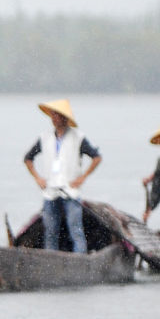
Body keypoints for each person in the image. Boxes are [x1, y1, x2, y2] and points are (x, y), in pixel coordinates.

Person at [23, 98, 102, 253]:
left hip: (70, 192)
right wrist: (38, 178)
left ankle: (80, 261)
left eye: (57, 115)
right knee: (50, 231)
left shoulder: (77, 137)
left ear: (64, 118)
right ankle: (50, 261)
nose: (54, 118)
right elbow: (28, 158)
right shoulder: (45, 137)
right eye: (52, 115)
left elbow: (96, 157)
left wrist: (83, 177)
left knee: (76, 230)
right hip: (50, 191)